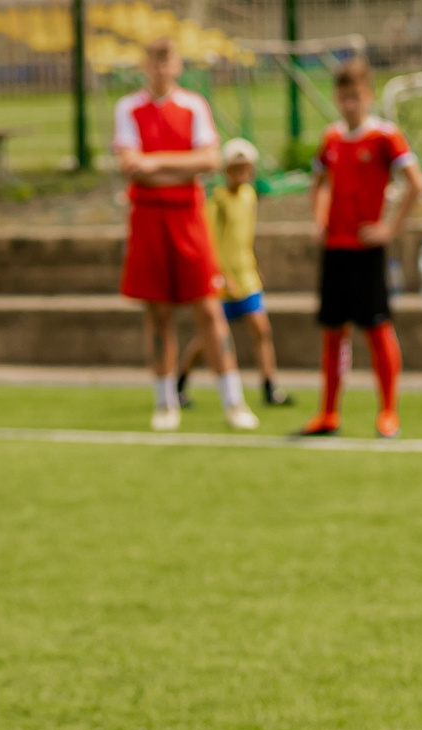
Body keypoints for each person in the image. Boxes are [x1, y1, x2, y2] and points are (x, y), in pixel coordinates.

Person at [114, 37, 256, 433]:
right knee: (158, 313)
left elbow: (209, 159)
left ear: (177, 66)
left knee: (209, 309)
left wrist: (153, 163)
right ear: (145, 65)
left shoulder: (194, 106)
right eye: (154, 62)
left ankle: (233, 399)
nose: (160, 69)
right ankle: (165, 401)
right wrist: (176, 167)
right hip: (147, 218)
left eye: (167, 61)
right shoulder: (128, 108)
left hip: (188, 218)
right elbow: (129, 165)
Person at [301, 59, 419, 439]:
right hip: (335, 249)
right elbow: (318, 182)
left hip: (367, 249)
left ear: (367, 96)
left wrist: (388, 228)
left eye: (356, 97)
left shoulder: (385, 136)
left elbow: (416, 185)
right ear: (336, 97)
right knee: (332, 333)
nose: (350, 104)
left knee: (376, 328)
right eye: (344, 97)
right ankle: (328, 413)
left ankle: (388, 411)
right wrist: (319, 219)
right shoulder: (331, 138)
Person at [178, 137, 286, 409]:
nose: (241, 173)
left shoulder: (249, 195)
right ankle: (180, 381)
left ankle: (269, 386)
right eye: (235, 168)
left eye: (245, 168)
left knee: (261, 330)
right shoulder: (217, 200)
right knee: (209, 338)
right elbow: (209, 241)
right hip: (223, 280)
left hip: (247, 276)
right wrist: (222, 274)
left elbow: (243, 238)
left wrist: (251, 265)